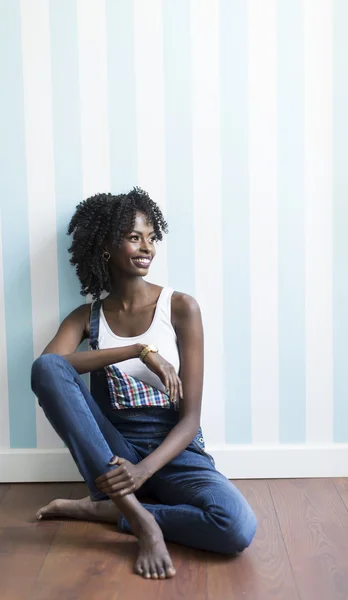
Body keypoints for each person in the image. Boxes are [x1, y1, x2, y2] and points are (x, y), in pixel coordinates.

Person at [31, 187, 257, 580]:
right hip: (114, 453)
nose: (146, 247)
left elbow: (190, 422)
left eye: (152, 237)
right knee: (46, 368)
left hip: (175, 451)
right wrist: (136, 350)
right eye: (134, 237)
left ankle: (106, 509)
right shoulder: (87, 317)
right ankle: (140, 520)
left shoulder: (181, 307)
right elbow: (50, 367)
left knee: (236, 526)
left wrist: (144, 471)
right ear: (106, 245)